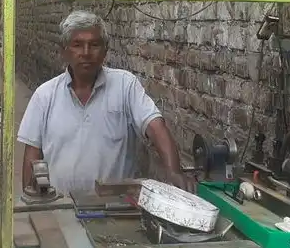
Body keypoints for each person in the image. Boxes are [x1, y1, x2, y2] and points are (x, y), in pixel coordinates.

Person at [17, 10, 195, 196]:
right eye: (77, 45)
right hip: (61, 208)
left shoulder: (125, 85)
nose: (86, 53)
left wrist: (174, 171)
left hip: (116, 207)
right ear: (64, 51)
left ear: (105, 51)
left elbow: (155, 127)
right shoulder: (45, 95)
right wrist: (32, 203)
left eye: (94, 45)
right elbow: (32, 154)